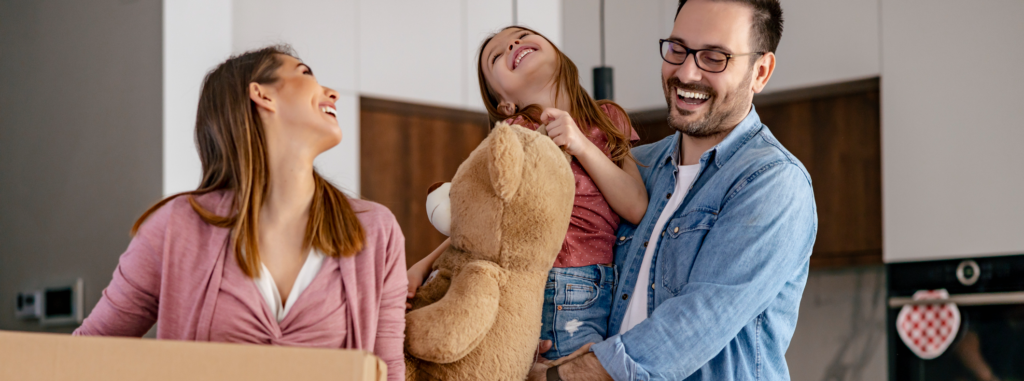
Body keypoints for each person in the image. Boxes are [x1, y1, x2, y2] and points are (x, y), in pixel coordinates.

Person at [73, 46, 407, 380]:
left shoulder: (376, 232)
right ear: (262, 95)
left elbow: (388, 371)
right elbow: (84, 357)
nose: (331, 93)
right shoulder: (175, 228)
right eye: (305, 73)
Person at [530, 0, 817, 380]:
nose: (686, 72)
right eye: (677, 50)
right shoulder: (634, 168)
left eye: (714, 57)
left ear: (760, 71)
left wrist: (559, 377)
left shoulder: (774, 181)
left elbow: (695, 323)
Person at [406, 26, 649, 360]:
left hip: (605, 286)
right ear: (505, 103)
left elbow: (636, 206)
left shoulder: (609, 118)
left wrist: (579, 142)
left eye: (520, 36)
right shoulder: (513, 136)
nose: (513, 45)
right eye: (497, 55)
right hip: (544, 282)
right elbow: (485, 224)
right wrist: (424, 264)